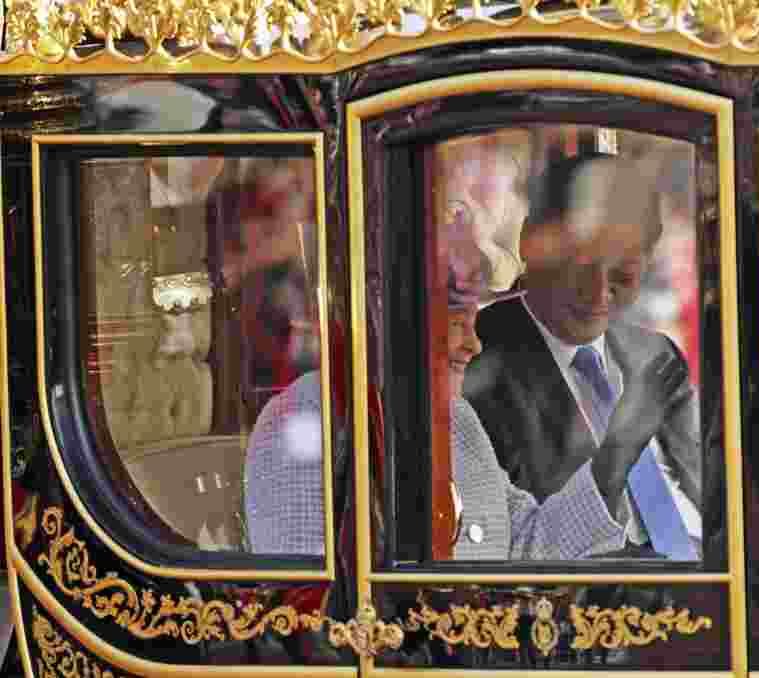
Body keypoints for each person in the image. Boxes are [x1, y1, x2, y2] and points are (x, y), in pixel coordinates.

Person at [244, 217, 688, 559]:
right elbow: (315, 624)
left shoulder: (458, 421)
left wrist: (618, 451)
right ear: (393, 320)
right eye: (456, 322)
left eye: (472, 322)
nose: (473, 344)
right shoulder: (307, 425)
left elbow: (528, 548)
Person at [464, 151, 704, 560]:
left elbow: (713, 491)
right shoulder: (474, 360)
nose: (597, 293)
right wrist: (621, 445)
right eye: (579, 266)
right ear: (529, 242)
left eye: (623, 274)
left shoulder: (654, 353)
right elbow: (517, 548)